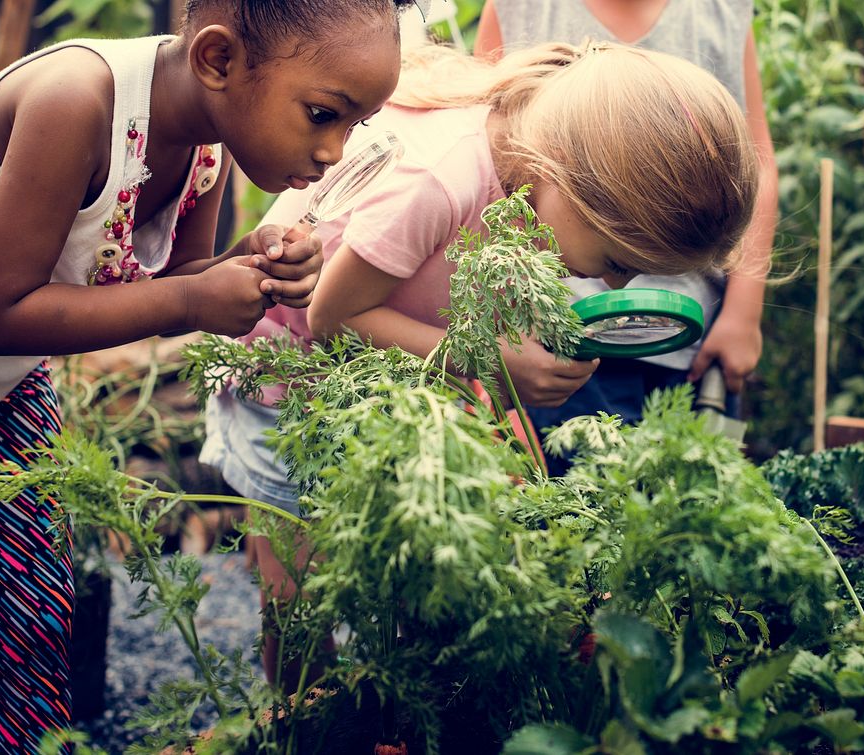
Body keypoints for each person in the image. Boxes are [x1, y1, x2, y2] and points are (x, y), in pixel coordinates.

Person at [0, 0, 416, 749]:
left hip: (1, 391)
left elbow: (180, 284)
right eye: (322, 114)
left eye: (355, 125)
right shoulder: (75, 102)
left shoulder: (203, 142)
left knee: (34, 621)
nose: (334, 152)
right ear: (217, 61)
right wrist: (191, 293)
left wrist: (245, 264)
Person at [200, 39, 759, 686]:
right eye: (616, 259)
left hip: (390, 375)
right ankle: (300, 724)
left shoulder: (533, 171)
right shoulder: (441, 179)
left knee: (415, 569)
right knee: (300, 594)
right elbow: (331, 316)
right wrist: (494, 367)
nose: (612, 287)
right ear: (566, 172)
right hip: (290, 387)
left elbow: (447, 288)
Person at [474, 0, 779, 474]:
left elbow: (757, 161)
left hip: (695, 339)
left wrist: (744, 311)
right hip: (558, 336)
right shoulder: (520, 7)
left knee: (692, 504)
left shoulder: (723, 11)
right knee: (578, 508)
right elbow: (484, 159)